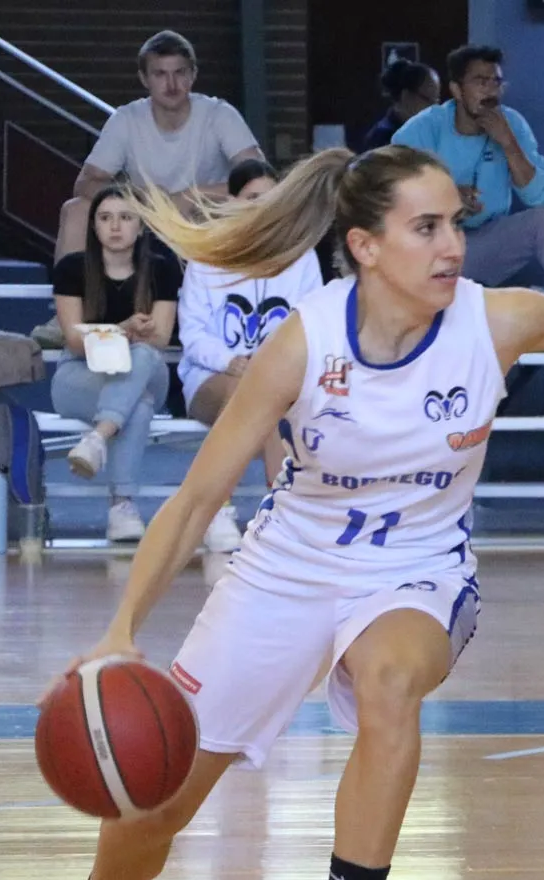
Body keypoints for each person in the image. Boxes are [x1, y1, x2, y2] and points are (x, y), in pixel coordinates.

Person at [0, 145, 544, 880]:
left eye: (456, 224)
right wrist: (121, 630)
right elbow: (196, 500)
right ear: (366, 246)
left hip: (417, 566)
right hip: (288, 566)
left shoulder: (491, 322)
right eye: (427, 227)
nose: (452, 245)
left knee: (389, 681)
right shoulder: (307, 341)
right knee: (165, 792)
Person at [178, 159, 325, 552]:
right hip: (210, 378)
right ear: (232, 201)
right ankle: (218, 510)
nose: (263, 206)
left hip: (279, 380)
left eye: (271, 198)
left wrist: (272, 365)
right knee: (248, 388)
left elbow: (314, 327)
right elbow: (192, 334)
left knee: (268, 390)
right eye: (252, 197)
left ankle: (280, 511)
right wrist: (231, 361)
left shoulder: (301, 257)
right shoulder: (207, 255)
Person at [391, 44, 544, 291]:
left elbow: (538, 197)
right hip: (432, 245)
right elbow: (395, 193)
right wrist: (447, 198)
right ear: (457, 90)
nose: (490, 90)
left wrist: (508, 143)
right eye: (480, 82)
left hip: (485, 243)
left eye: (496, 82)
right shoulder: (424, 127)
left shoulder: (512, 124)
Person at [51, 184, 182, 543]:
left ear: (140, 226)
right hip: (80, 374)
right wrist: (123, 329)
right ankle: (121, 507)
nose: (115, 226)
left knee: (141, 356)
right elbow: (75, 342)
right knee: (137, 407)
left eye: (125, 217)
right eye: (105, 218)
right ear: (93, 226)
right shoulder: (71, 269)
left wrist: (128, 337)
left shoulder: (162, 269)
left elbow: (160, 338)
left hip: (146, 370)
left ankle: (97, 439)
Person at [58, 31, 263, 259]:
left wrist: (191, 196)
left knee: (249, 212)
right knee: (75, 210)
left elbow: (260, 182)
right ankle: (71, 284)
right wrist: (135, 197)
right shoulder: (127, 119)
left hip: (207, 218)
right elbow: (85, 183)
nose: (171, 84)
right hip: (144, 219)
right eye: (160, 74)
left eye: (179, 72)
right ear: (144, 79)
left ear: (193, 75)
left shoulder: (219, 114)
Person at [358, 59, 440, 152]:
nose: (435, 108)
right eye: (429, 101)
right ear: (406, 97)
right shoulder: (383, 140)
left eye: (437, 101)